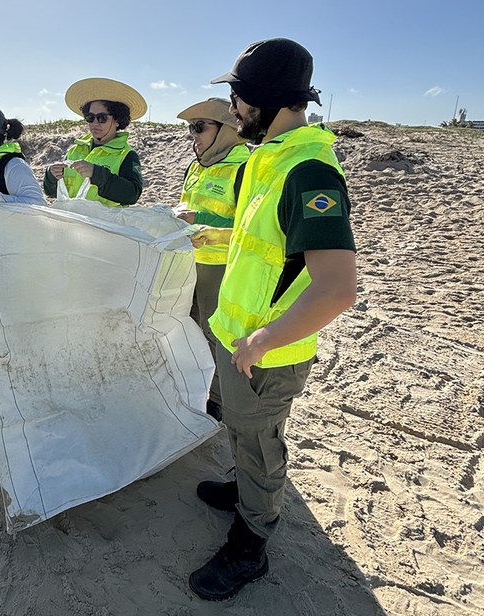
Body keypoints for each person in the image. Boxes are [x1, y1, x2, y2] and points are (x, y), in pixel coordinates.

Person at [187, 38, 357, 601]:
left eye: (236, 96)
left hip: (267, 352)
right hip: (239, 339)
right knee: (240, 429)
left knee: (261, 443)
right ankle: (243, 492)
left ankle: (251, 543)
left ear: (263, 98)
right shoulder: (268, 157)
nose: (231, 109)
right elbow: (266, 247)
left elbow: (336, 289)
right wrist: (217, 235)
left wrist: (263, 339)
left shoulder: (310, 171)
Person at [176, 98, 249, 421]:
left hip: (222, 266)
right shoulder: (196, 165)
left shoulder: (245, 166)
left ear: (227, 130)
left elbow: (253, 225)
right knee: (189, 327)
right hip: (189, 262)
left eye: (200, 127)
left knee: (215, 334)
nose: (194, 135)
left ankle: (217, 400)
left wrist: (202, 219)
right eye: (191, 128)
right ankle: (197, 388)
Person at [43, 78, 145, 207]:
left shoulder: (127, 155)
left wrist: (97, 174)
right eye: (90, 117)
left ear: (118, 120)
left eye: (102, 118)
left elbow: (132, 194)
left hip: (105, 225)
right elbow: (52, 192)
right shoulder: (75, 150)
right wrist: (51, 177)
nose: (95, 123)